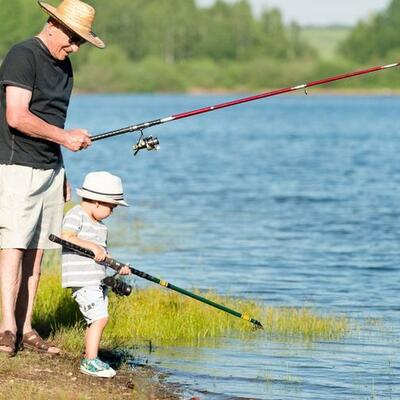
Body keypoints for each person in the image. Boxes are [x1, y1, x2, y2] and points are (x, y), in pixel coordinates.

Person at [0, 0, 105, 356]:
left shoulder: (66, 69)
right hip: (16, 166)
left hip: (50, 169)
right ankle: (6, 328)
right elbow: (17, 116)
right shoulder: (22, 56)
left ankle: (26, 328)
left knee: (37, 252)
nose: (75, 47)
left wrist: (62, 167)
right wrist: (65, 138)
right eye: (74, 38)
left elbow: (54, 124)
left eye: (81, 42)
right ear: (53, 24)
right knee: (13, 246)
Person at [61, 171, 130, 378]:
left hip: (97, 279)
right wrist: (91, 245)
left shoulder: (101, 227)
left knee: (97, 319)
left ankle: (91, 356)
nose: (113, 211)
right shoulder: (76, 214)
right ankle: (90, 362)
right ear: (98, 202)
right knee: (100, 318)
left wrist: (117, 266)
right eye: (112, 206)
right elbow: (67, 236)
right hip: (82, 280)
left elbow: (102, 255)